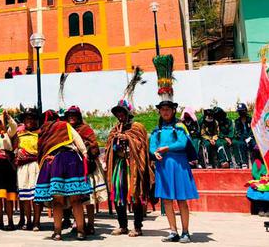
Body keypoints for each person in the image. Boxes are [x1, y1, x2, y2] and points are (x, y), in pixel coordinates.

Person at [34, 111, 92, 241]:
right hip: (71, 160)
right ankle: (81, 231)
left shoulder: (43, 131)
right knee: (75, 199)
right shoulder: (65, 126)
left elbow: (41, 151)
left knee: (57, 200)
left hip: (55, 163)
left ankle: (58, 232)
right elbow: (78, 141)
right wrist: (84, 156)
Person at [151, 101, 199, 243]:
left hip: (179, 166)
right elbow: (152, 145)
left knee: (181, 200)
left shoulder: (179, 126)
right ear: (159, 112)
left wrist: (167, 148)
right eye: (162, 110)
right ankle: (173, 231)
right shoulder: (157, 129)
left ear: (173, 111)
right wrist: (154, 153)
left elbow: (182, 143)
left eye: (168, 109)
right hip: (163, 168)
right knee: (166, 200)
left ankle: (185, 232)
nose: (165, 112)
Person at [105, 100, 153, 237]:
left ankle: (137, 227)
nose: (120, 115)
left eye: (122, 112)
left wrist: (127, 138)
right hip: (119, 166)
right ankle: (122, 226)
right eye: (118, 112)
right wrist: (114, 140)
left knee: (135, 195)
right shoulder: (115, 129)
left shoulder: (137, 127)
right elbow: (109, 146)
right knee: (119, 196)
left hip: (133, 166)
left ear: (127, 113)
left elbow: (141, 144)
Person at [64, 105, 107, 235]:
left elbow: (94, 145)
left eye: (74, 115)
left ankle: (91, 224)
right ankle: (79, 222)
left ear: (78, 117)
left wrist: (85, 148)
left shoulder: (85, 129)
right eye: (69, 115)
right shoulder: (65, 130)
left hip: (87, 167)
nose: (72, 117)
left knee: (89, 198)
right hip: (72, 167)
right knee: (75, 197)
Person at [14, 108, 41, 231]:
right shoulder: (19, 133)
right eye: (27, 118)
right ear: (24, 120)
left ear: (36, 120)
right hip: (22, 166)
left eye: (32, 118)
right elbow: (13, 147)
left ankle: (36, 221)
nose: (29, 120)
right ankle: (28, 221)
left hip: (35, 165)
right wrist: (17, 152)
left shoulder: (40, 133)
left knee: (36, 196)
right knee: (24, 196)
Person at [235, 103, 254, 168]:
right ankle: (244, 162)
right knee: (241, 144)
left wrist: (250, 137)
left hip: (251, 137)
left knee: (254, 145)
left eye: (242, 111)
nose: (241, 113)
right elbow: (238, 132)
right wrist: (244, 138)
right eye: (239, 111)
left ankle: (256, 163)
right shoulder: (237, 121)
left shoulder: (251, 119)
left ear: (245, 110)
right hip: (242, 138)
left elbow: (253, 129)